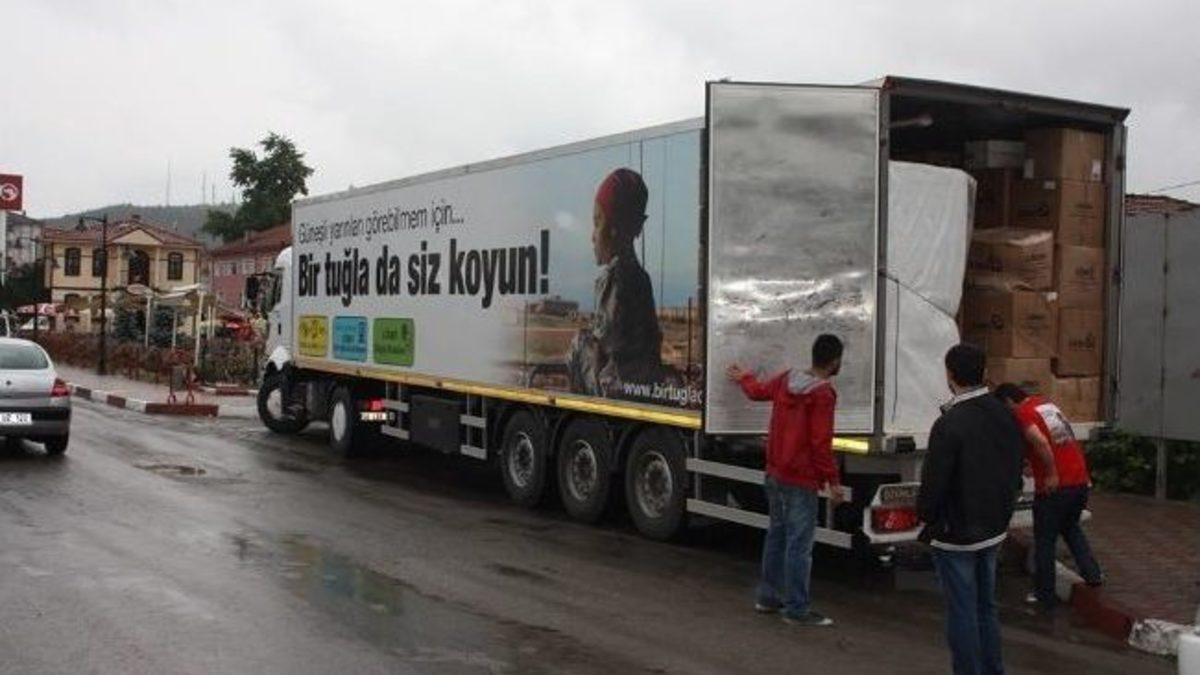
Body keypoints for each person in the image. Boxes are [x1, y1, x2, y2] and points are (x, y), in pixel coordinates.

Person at [726, 334, 846, 627]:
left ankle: (768, 597)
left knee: (777, 536)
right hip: (801, 480)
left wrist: (744, 377)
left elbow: (757, 392)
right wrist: (833, 481)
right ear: (834, 362)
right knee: (799, 546)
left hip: (775, 473)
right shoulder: (822, 395)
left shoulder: (786, 379)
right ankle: (796, 608)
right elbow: (820, 443)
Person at [917, 343, 1023, 675]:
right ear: (985, 373)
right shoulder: (1005, 413)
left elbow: (934, 482)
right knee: (985, 606)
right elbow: (1015, 467)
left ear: (949, 375)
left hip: (956, 533)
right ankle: (993, 669)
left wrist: (927, 517)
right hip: (993, 526)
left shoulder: (949, 423)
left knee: (962, 610)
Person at [994, 383, 1103, 609]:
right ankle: (1092, 573)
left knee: (1044, 539)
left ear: (1009, 402)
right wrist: (1034, 465)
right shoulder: (1046, 406)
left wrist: (1051, 473)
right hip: (1079, 480)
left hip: (1056, 487)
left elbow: (1041, 442)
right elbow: (1057, 441)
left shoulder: (1023, 414)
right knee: (1070, 527)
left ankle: (1045, 594)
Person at [567, 168, 666, 398]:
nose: (592, 236)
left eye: (597, 222)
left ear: (613, 229)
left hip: (616, 388)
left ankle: (580, 404)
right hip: (644, 385)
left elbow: (605, 341)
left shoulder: (614, 277)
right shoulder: (641, 277)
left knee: (580, 343)